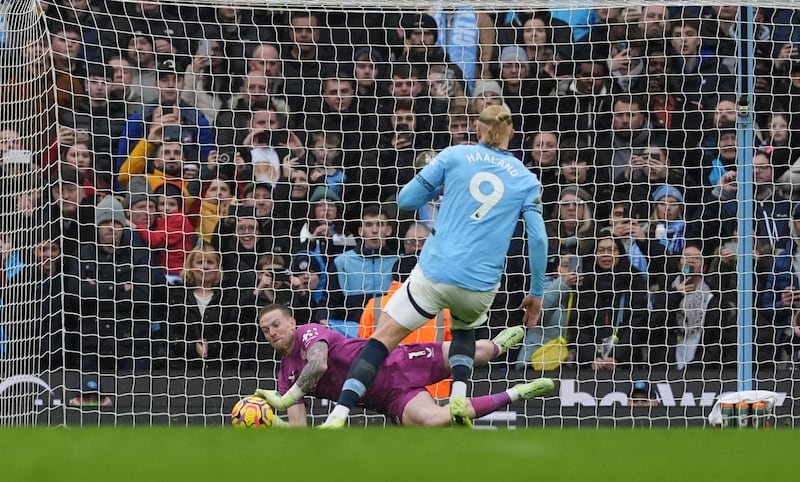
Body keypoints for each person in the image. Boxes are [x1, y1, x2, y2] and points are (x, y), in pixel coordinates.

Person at [320, 105, 548, 428]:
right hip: (479, 285)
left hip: (435, 273)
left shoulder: (455, 156)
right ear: (511, 134)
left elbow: (404, 201)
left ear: (478, 131)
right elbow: (538, 239)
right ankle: (458, 396)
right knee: (464, 330)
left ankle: (338, 414)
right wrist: (536, 292)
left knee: (381, 340)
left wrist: (439, 187)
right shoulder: (526, 179)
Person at [254, 304, 551, 427]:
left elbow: (317, 365)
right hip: (388, 399)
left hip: (397, 363)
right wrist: (270, 422)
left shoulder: (309, 333)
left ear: (292, 322)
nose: (273, 333)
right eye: (266, 331)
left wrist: (284, 398)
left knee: (479, 352)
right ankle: (517, 393)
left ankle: (499, 345)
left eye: (276, 325)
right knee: (435, 420)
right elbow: (298, 428)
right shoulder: (285, 373)